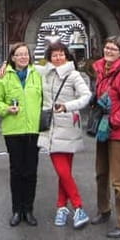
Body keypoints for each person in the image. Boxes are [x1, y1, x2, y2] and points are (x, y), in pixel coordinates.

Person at [37, 41, 92, 229]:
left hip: (67, 126)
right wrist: (6, 65)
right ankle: (66, 207)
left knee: (63, 171)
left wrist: (68, 107)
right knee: (63, 171)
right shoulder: (45, 72)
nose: (58, 57)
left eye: (61, 54)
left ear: (67, 56)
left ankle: (73, 207)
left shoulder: (73, 75)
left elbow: (86, 96)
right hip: (50, 128)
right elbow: (27, 64)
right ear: (49, 57)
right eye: (54, 55)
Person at [0, 42, 43, 227]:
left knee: (31, 172)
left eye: (26, 54)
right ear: (12, 57)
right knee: (16, 171)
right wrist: (6, 108)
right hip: (13, 131)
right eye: (19, 54)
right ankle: (16, 210)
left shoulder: (38, 75)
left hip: (33, 130)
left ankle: (28, 210)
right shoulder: (3, 77)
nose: (23, 57)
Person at [90, 35, 120, 238]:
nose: (109, 51)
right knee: (101, 173)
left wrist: (112, 122)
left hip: (117, 133)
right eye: (107, 47)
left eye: (114, 49)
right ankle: (104, 210)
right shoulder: (102, 71)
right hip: (103, 131)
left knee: (119, 180)